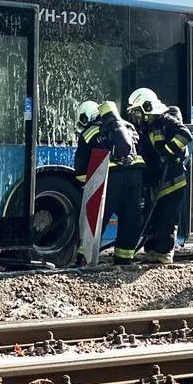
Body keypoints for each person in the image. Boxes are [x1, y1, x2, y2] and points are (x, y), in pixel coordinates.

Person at [126, 87, 193, 265]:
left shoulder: (166, 120)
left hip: (173, 180)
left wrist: (169, 150)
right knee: (152, 218)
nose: (136, 118)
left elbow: (185, 134)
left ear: (148, 107)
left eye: (138, 113)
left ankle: (164, 254)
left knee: (167, 218)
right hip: (156, 182)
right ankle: (152, 252)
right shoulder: (147, 129)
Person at [74, 100, 144, 265]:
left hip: (109, 176)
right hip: (135, 176)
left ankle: (85, 259)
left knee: (97, 217)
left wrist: (86, 185)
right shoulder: (128, 127)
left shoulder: (90, 132)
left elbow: (81, 168)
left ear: (86, 117)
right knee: (130, 217)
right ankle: (124, 260)